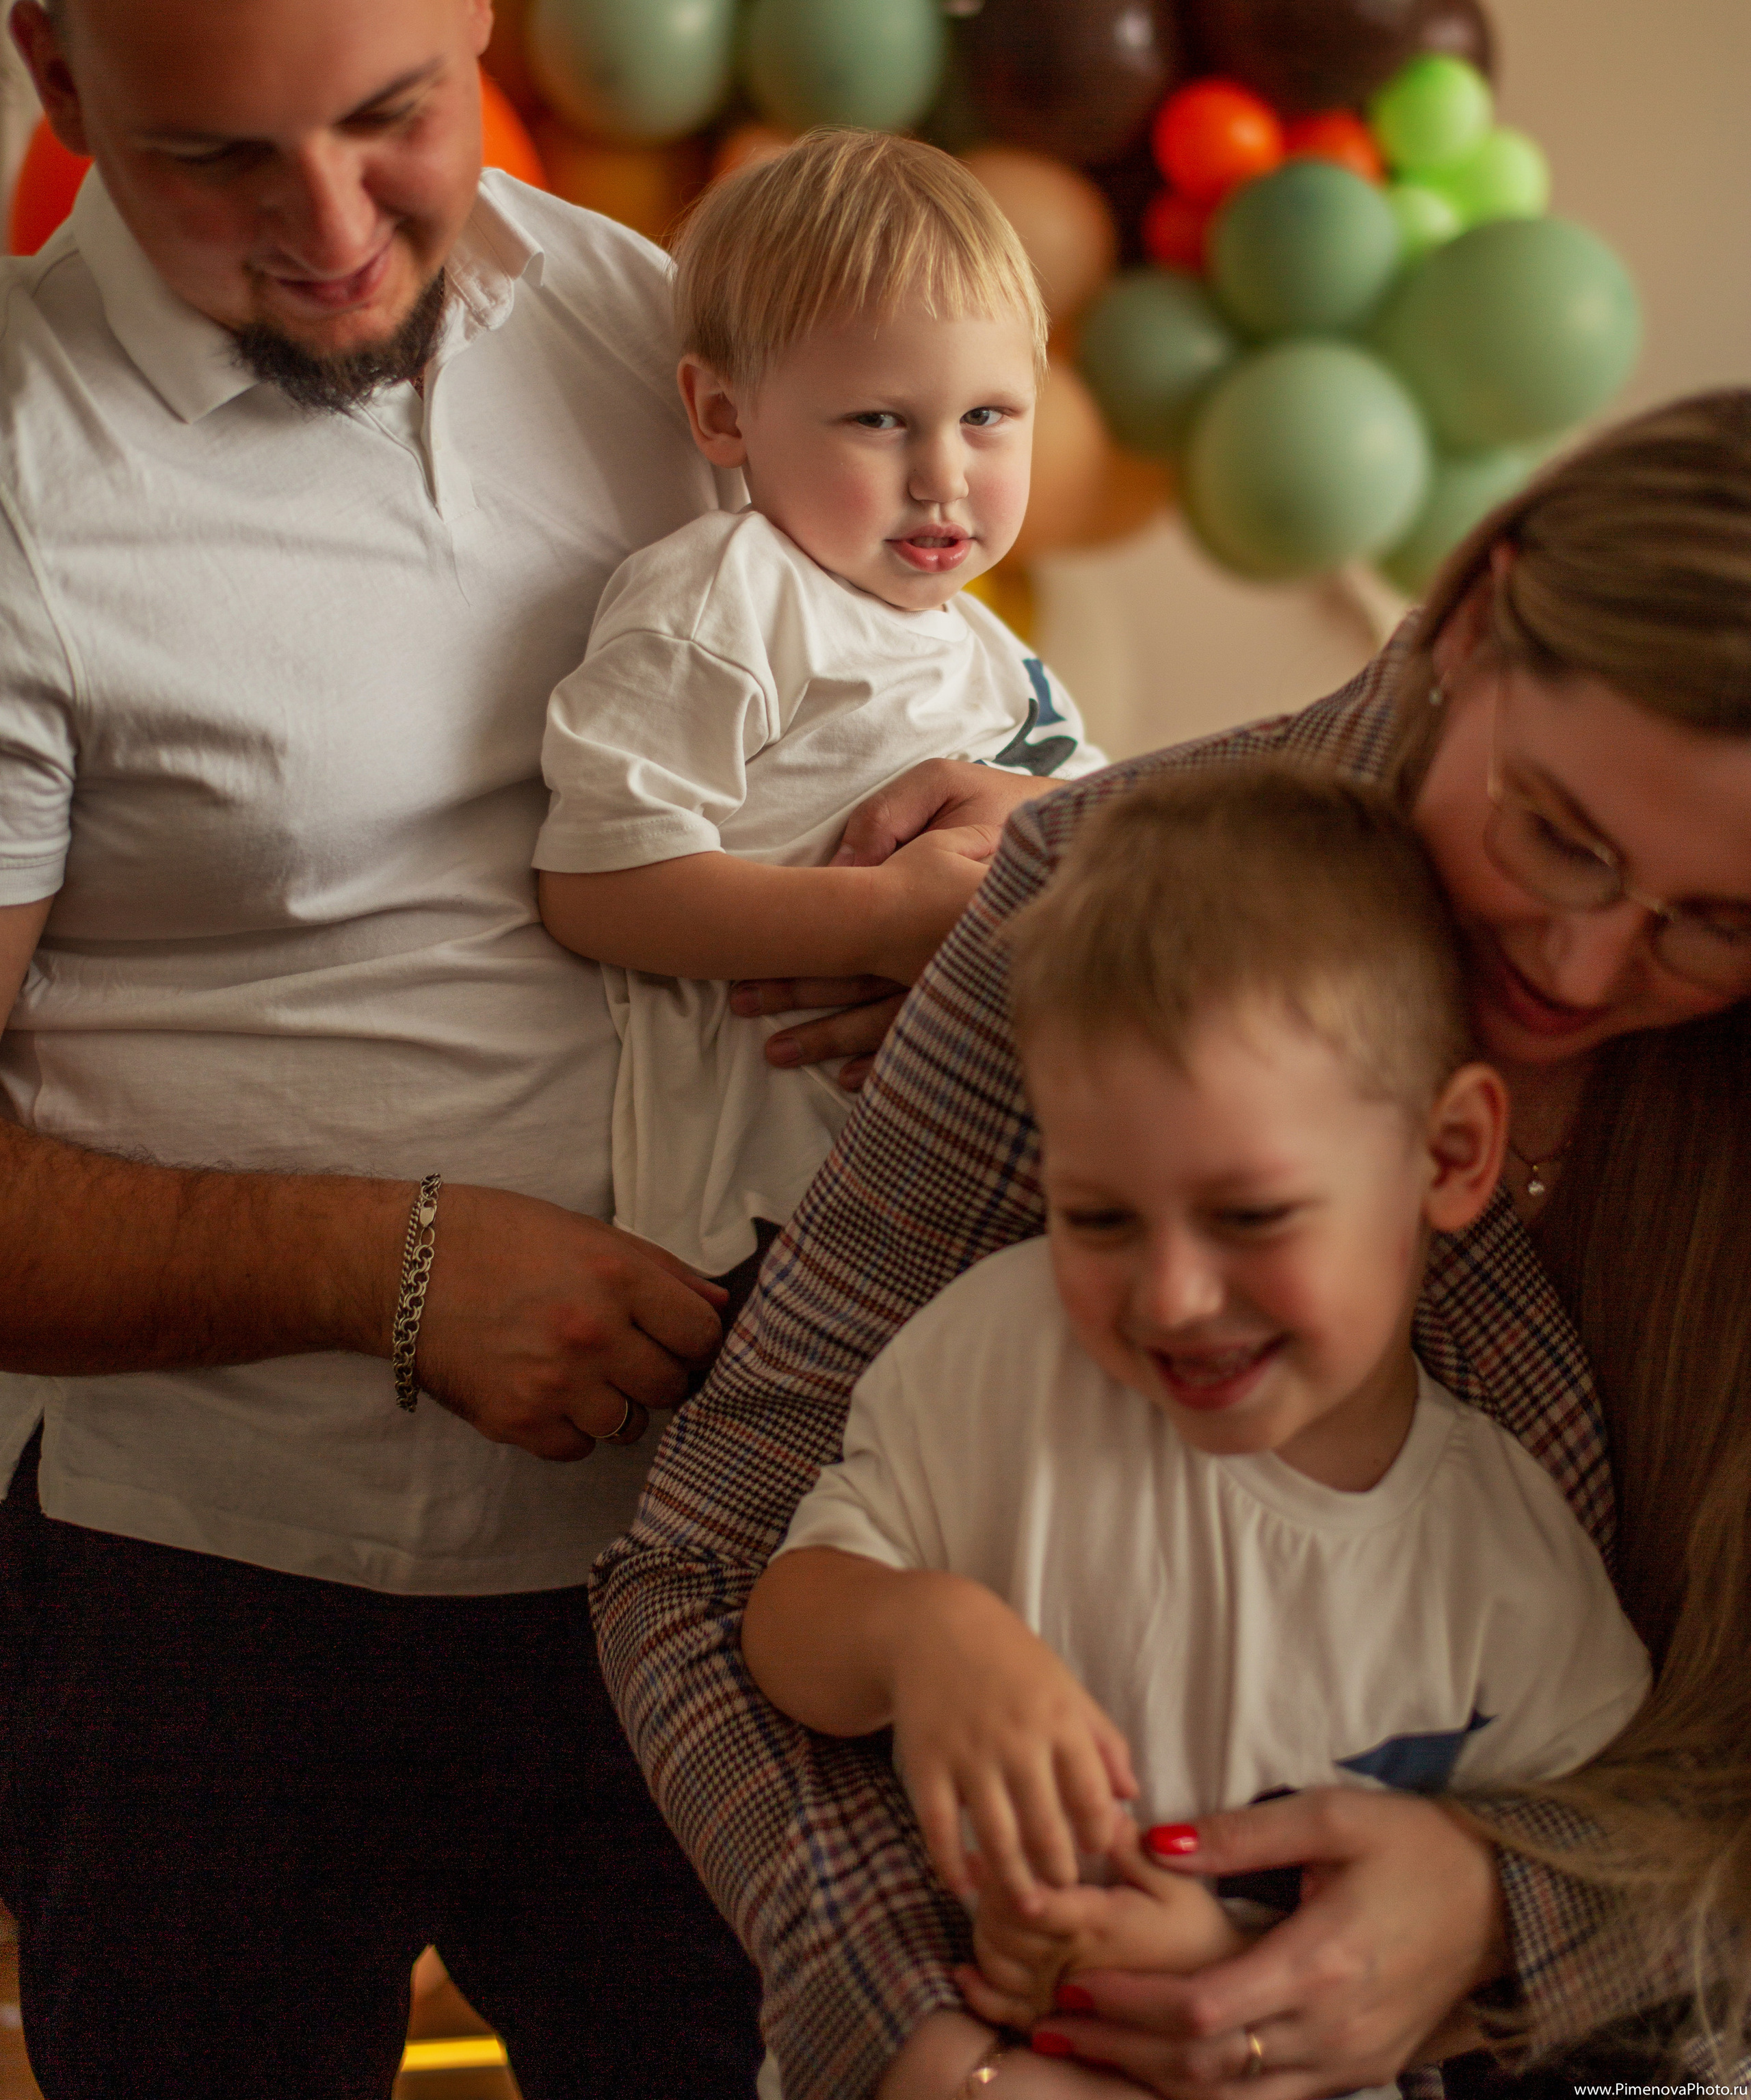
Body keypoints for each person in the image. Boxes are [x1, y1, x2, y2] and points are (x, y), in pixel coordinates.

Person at [0, 0, 1034, 2100]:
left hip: (707, 1553)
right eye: (217, 159)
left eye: (392, 118)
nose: (336, 231)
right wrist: (399, 1268)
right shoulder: (13, 487)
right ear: (55, 82)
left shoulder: (668, 325)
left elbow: (911, 682)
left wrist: (1002, 846)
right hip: (208, 1614)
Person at [594, 392, 1751, 2100]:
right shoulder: (1100, 902)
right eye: (1552, 835)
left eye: (1717, 922)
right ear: (1480, 614)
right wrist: (940, 2052)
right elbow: (704, 1571)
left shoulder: (1498, 1555)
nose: (1579, 970)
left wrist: (1516, 1909)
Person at [739, 768, 1650, 2076]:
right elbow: (782, 1621)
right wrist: (919, 1633)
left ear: (1449, 1158)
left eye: (1252, 1215)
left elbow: (1590, 1915)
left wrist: (1217, 1967)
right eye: (1099, 1217)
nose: (1169, 1298)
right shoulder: (1004, 1351)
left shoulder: (1510, 1560)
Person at [534, 129, 1103, 1279]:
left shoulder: (990, 648)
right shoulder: (727, 594)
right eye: (881, 420)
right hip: (797, 1223)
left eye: (989, 416)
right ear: (726, 416)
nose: (944, 472)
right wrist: (887, 924)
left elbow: (1105, 835)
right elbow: (595, 886)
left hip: (1011, 1190)